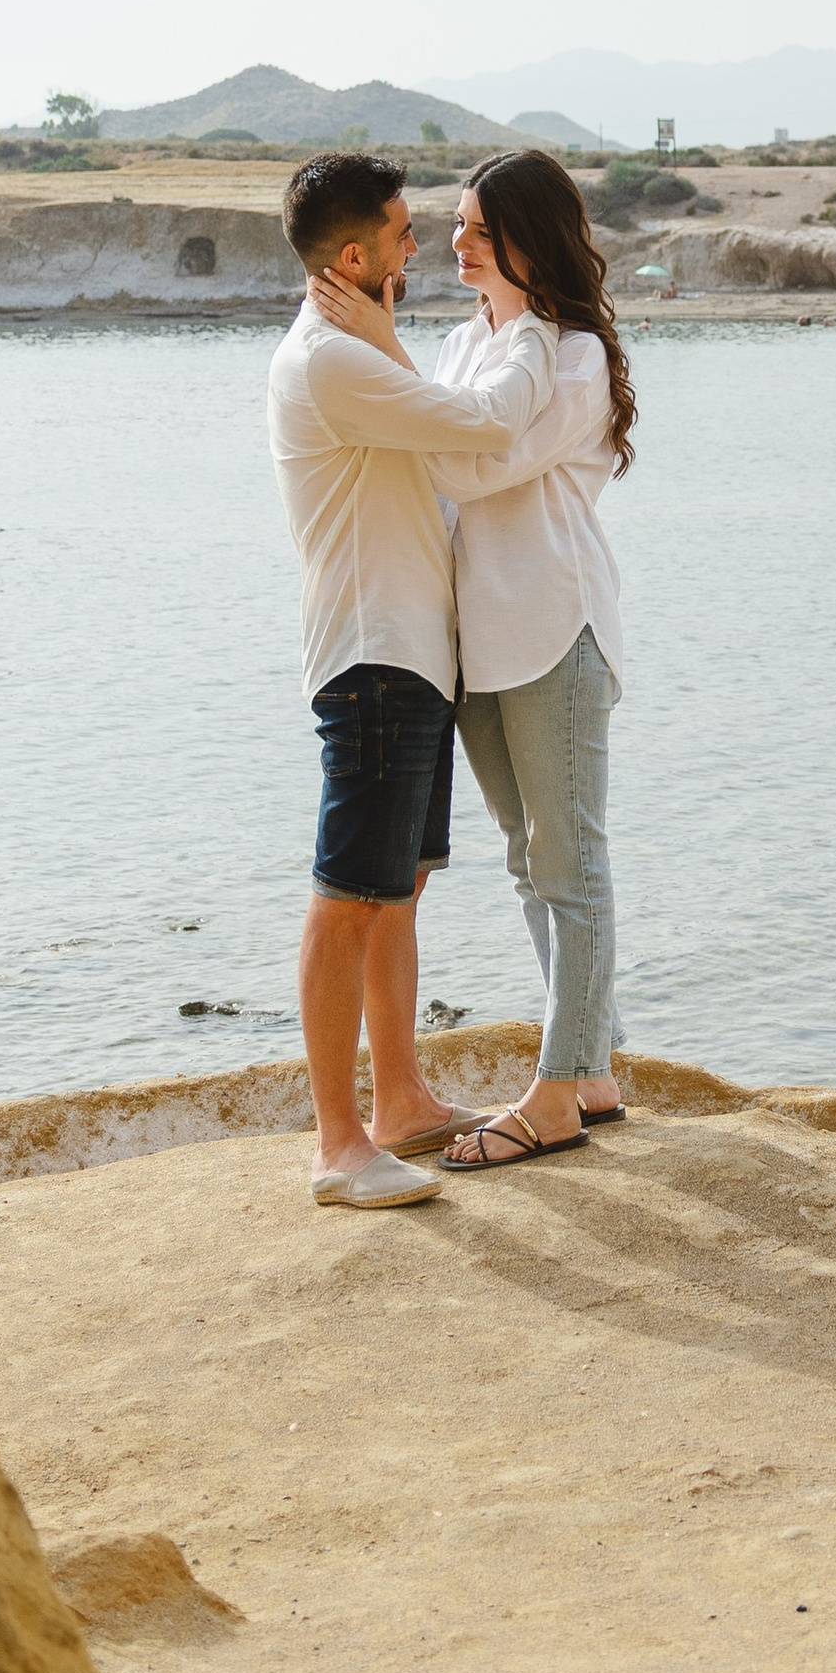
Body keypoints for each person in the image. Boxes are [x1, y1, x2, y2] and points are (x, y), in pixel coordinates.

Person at [306, 147, 631, 1172]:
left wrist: (385, 353)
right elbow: (436, 443)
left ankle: (557, 1089)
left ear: (528, 238)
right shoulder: (455, 342)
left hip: (553, 624)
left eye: (480, 229)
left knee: (568, 860)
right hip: (473, 644)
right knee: (526, 860)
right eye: (454, 225)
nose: (456, 243)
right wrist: (402, 360)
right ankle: (589, 1070)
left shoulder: (567, 351)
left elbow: (464, 460)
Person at [266, 151, 557, 1207]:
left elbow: (435, 439)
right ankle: (339, 1147)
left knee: (399, 892)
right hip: (372, 658)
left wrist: (388, 339)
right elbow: (480, 428)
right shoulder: (333, 365)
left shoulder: (359, 355)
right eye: (400, 233)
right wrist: (522, 329)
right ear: (355, 256)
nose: (420, 246)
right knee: (348, 897)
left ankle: (400, 1105)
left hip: (411, 658)